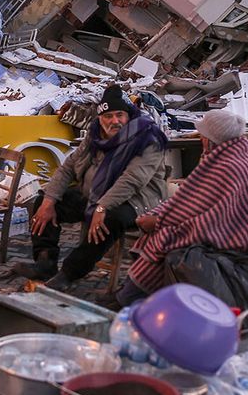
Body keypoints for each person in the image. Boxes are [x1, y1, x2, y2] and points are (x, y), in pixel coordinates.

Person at [12, 85, 168, 290]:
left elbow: (132, 180)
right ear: (101, 118)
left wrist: (102, 207)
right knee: (44, 201)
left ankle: (70, 273)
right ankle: (45, 262)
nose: (115, 121)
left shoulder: (148, 138)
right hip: (93, 193)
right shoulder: (96, 134)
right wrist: (50, 199)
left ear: (128, 115)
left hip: (136, 200)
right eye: (108, 116)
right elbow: (69, 166)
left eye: (120, 115)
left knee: (110, 220)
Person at [118, 110, 248, 306]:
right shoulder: (239, 157)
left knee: (164, 238)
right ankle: (131, 296)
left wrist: (158, 221)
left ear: (212, 139)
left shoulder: (226, 166)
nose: (201, 139)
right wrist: (159, 217)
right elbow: (191, 202)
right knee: (161, 231)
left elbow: (206, 215)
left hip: (231, 236)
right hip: (234, 229)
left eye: (203, 136)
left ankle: (131, 299)